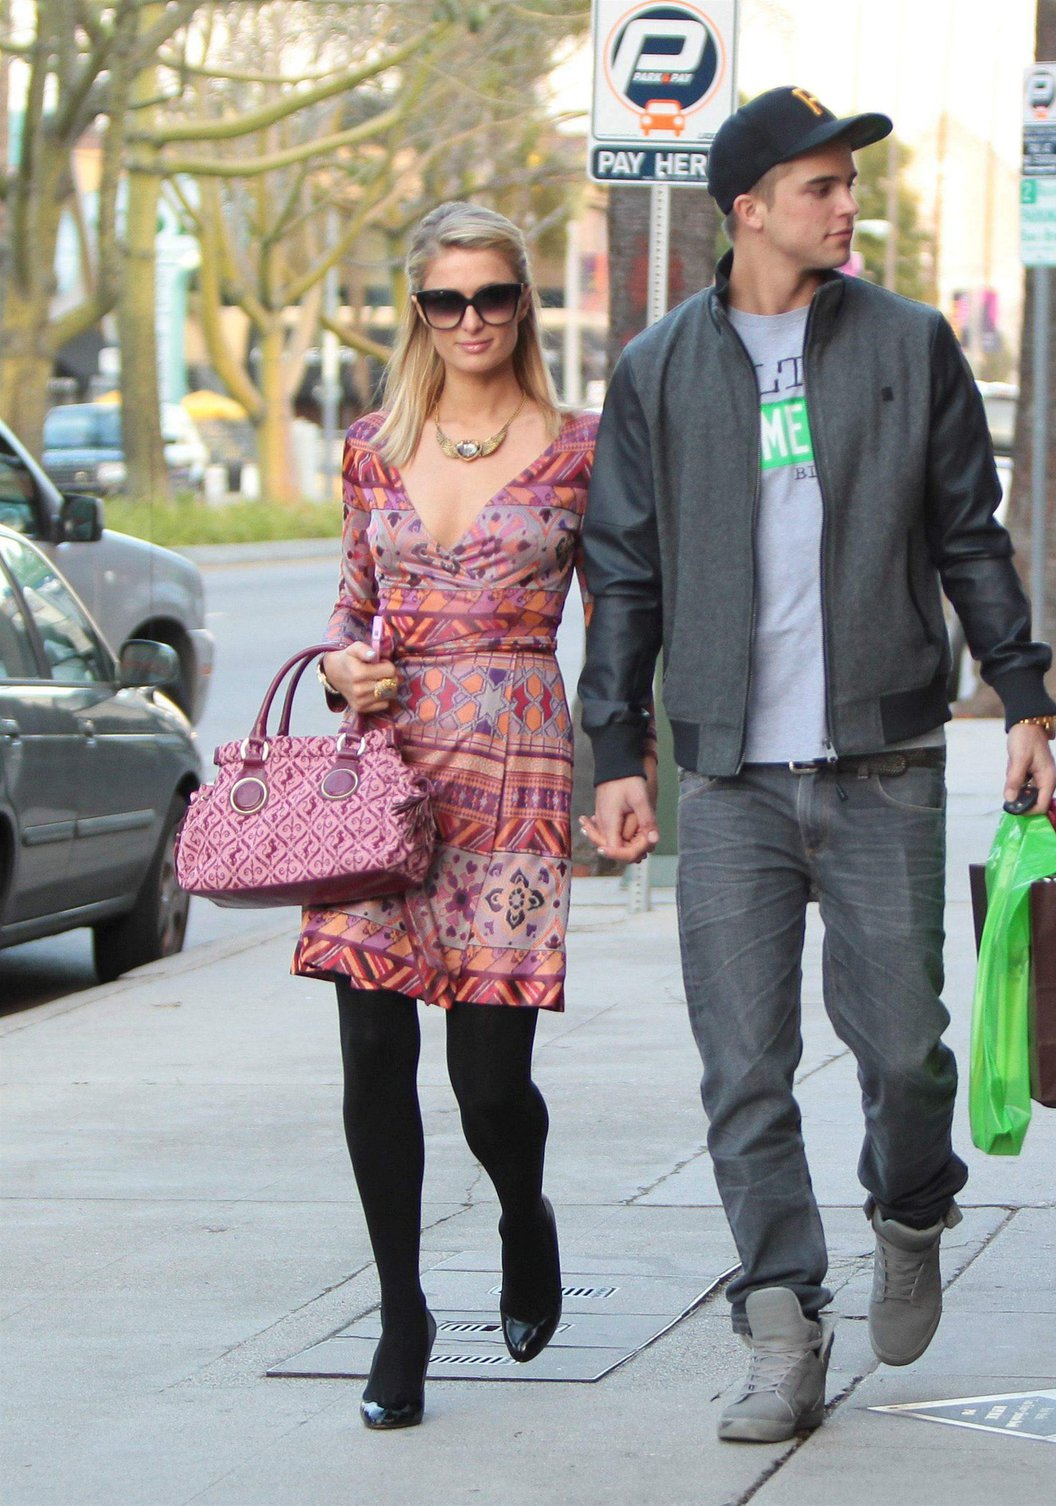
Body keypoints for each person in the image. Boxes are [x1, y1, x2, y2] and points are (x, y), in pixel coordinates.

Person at [578, 86, 1056, 1444]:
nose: (847, 205)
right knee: (743, 1067)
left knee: (903, 1049)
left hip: (886, 760)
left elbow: (970, 528)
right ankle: (780, 1322)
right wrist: (616, 747)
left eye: (850, 184)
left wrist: (1022, 694)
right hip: (727, 778)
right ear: (747, 209)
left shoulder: (908, 345)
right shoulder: (660, 368)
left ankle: (912, 1207)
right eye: (821, 186)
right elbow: (623, 572)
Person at [292, 202, 648, 1430]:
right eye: (445, 302)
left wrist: (627, 762)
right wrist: (344, 670)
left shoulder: (581, 446)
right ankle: (402, 1316)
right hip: (381, 778)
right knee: (373, 1057)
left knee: (490, 1081)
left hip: (510, 770)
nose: (471, 321)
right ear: (418, 313)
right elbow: (347, 611)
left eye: (493, 297)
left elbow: (617, 624)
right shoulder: (370, 450)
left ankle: (521, 1212)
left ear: (524, 307)